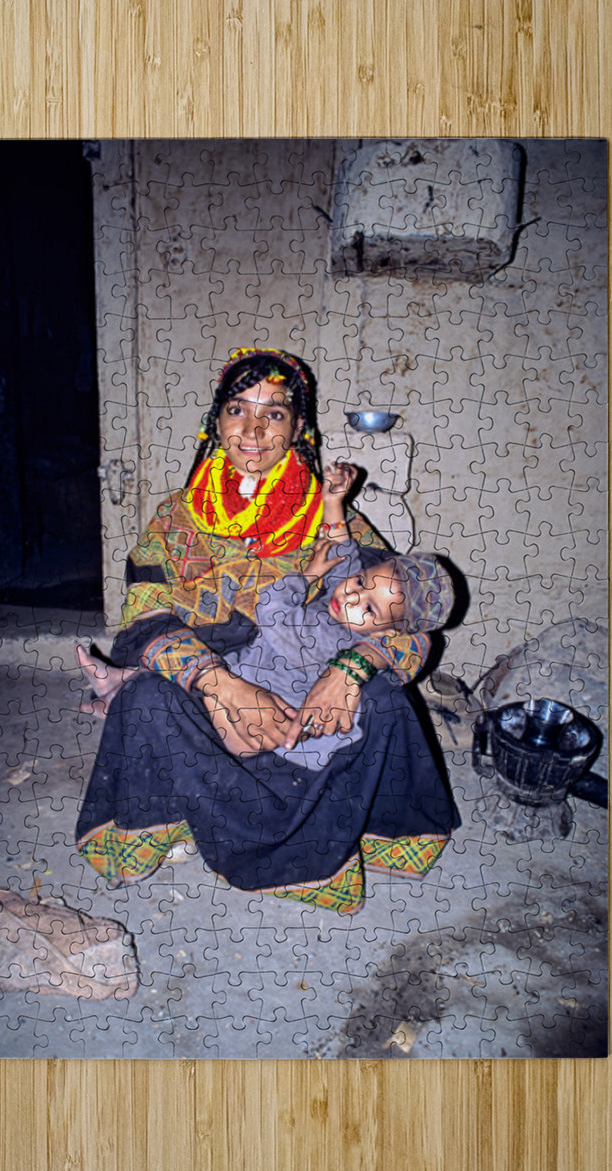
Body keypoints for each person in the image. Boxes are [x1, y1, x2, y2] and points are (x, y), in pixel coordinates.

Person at [75, 347, 460, 914]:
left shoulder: (335, 520)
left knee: (382, 702)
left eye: (274, 413)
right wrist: (215, 682)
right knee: (147, 701)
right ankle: (174, 821)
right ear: (215, 421)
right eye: (237, 409)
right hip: (207, 673)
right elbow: (143, 615)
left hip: (306, 679)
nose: (252, 430)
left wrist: (351, 668)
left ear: (297, 427)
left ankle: (323, 849)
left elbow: (415, 623)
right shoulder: (173, 519)